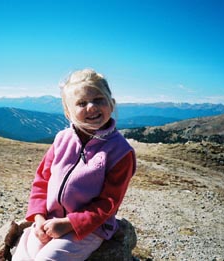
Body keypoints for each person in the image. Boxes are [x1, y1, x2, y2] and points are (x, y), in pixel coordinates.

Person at [12, 68, 136, 261]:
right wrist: (38, 217)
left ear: (111, 104)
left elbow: (109, 203)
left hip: (90, 228)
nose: (92, 107)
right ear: (68, 112)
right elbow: (42, 181)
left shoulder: (120, 151)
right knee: (22, 257)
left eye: (98, 99)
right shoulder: (62, 139)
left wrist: (69, 223)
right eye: (81, 103)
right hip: (49, 220)